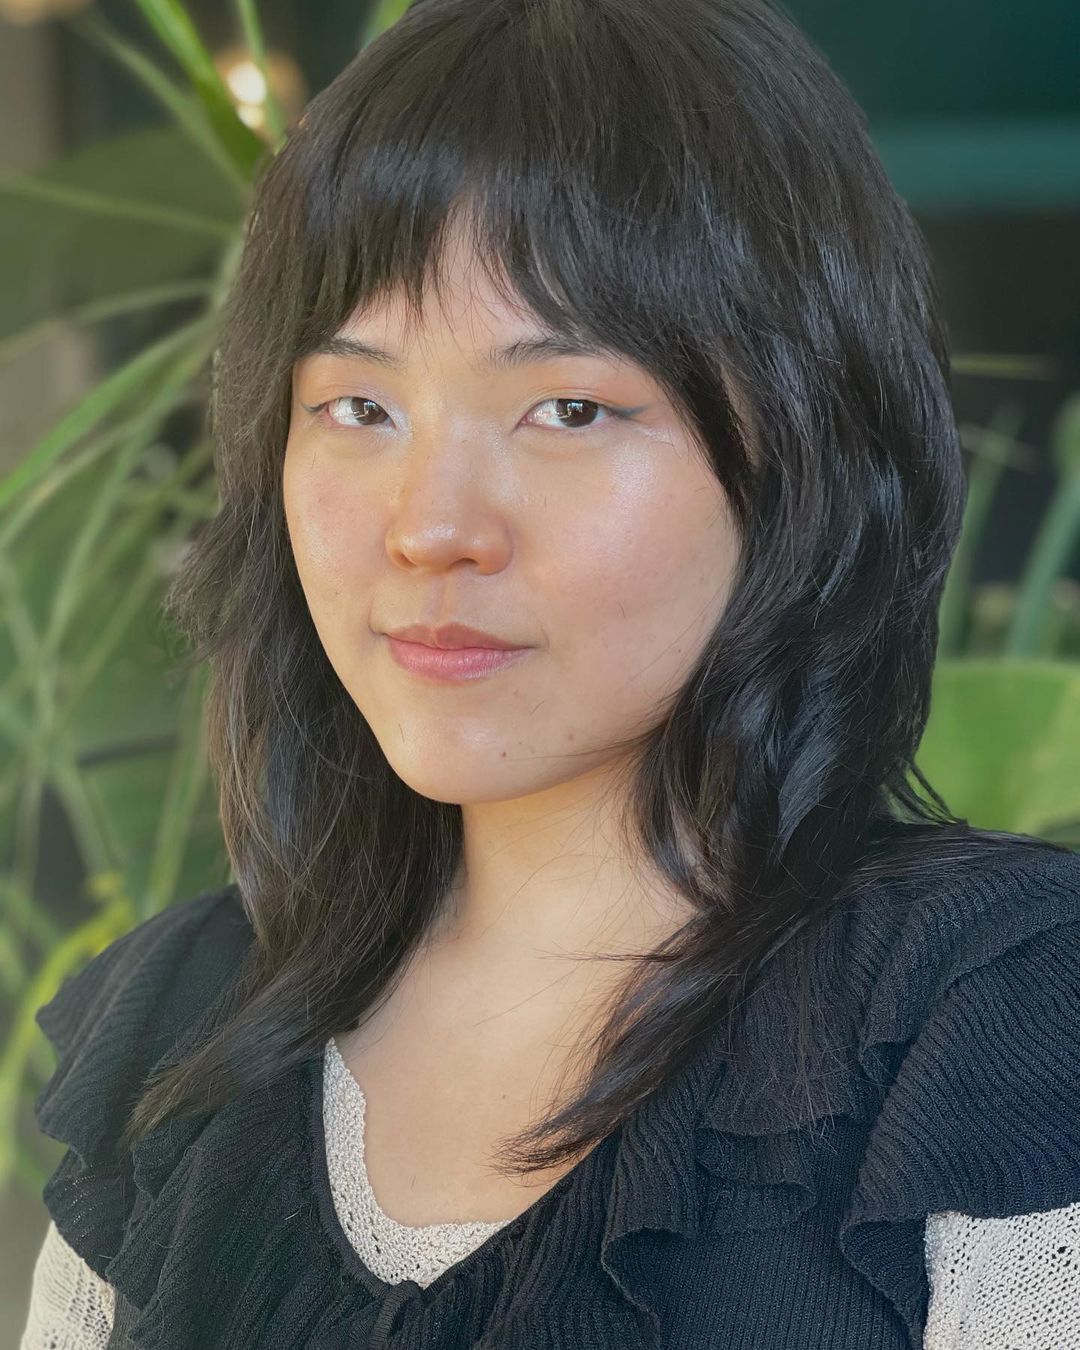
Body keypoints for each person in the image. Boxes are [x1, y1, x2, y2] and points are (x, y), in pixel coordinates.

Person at [20, 0, 1080, 1346]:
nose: (431, 523)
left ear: (801, 449)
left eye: (568, 407)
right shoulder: (174, 1040)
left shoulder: (1001, 1020)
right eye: (360, 407)